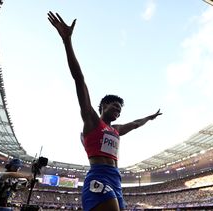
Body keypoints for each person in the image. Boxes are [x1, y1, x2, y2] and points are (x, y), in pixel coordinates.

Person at [47, 12, 162, 211]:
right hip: (98, 176)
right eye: (114, 106)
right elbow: (79, 79)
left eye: (120, 109)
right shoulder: (92, 120)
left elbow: (135, 124)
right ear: (103, 107)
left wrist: (149, 118)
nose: (118, 110)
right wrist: (67, 41)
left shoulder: (116, 129)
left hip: (116, 180)